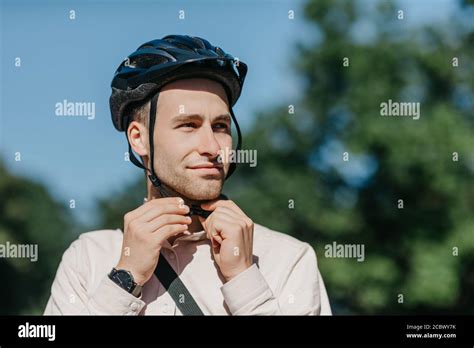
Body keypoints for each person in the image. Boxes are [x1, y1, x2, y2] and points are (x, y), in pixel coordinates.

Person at [44, 35, 331, 315]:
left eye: (220, 126)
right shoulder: (89, 258)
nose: (212, 147)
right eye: (188, 125)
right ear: (138, 138)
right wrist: (125, 279)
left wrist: (245, 280)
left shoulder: (288, 259)